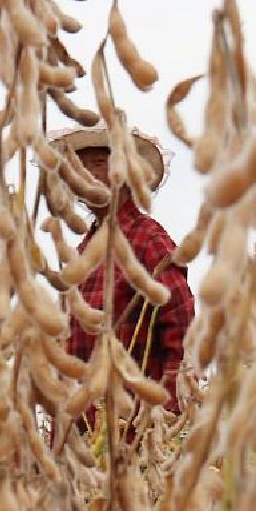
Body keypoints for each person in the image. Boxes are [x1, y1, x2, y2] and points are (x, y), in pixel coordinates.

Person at [51, 126, 195, 423]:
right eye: (79, 165)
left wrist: (164, 415)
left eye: (99, 163)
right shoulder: (80, 255)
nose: (86, 174)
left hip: (135, 426)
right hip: (83, 430)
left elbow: (181, 328)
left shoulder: (148, 239)